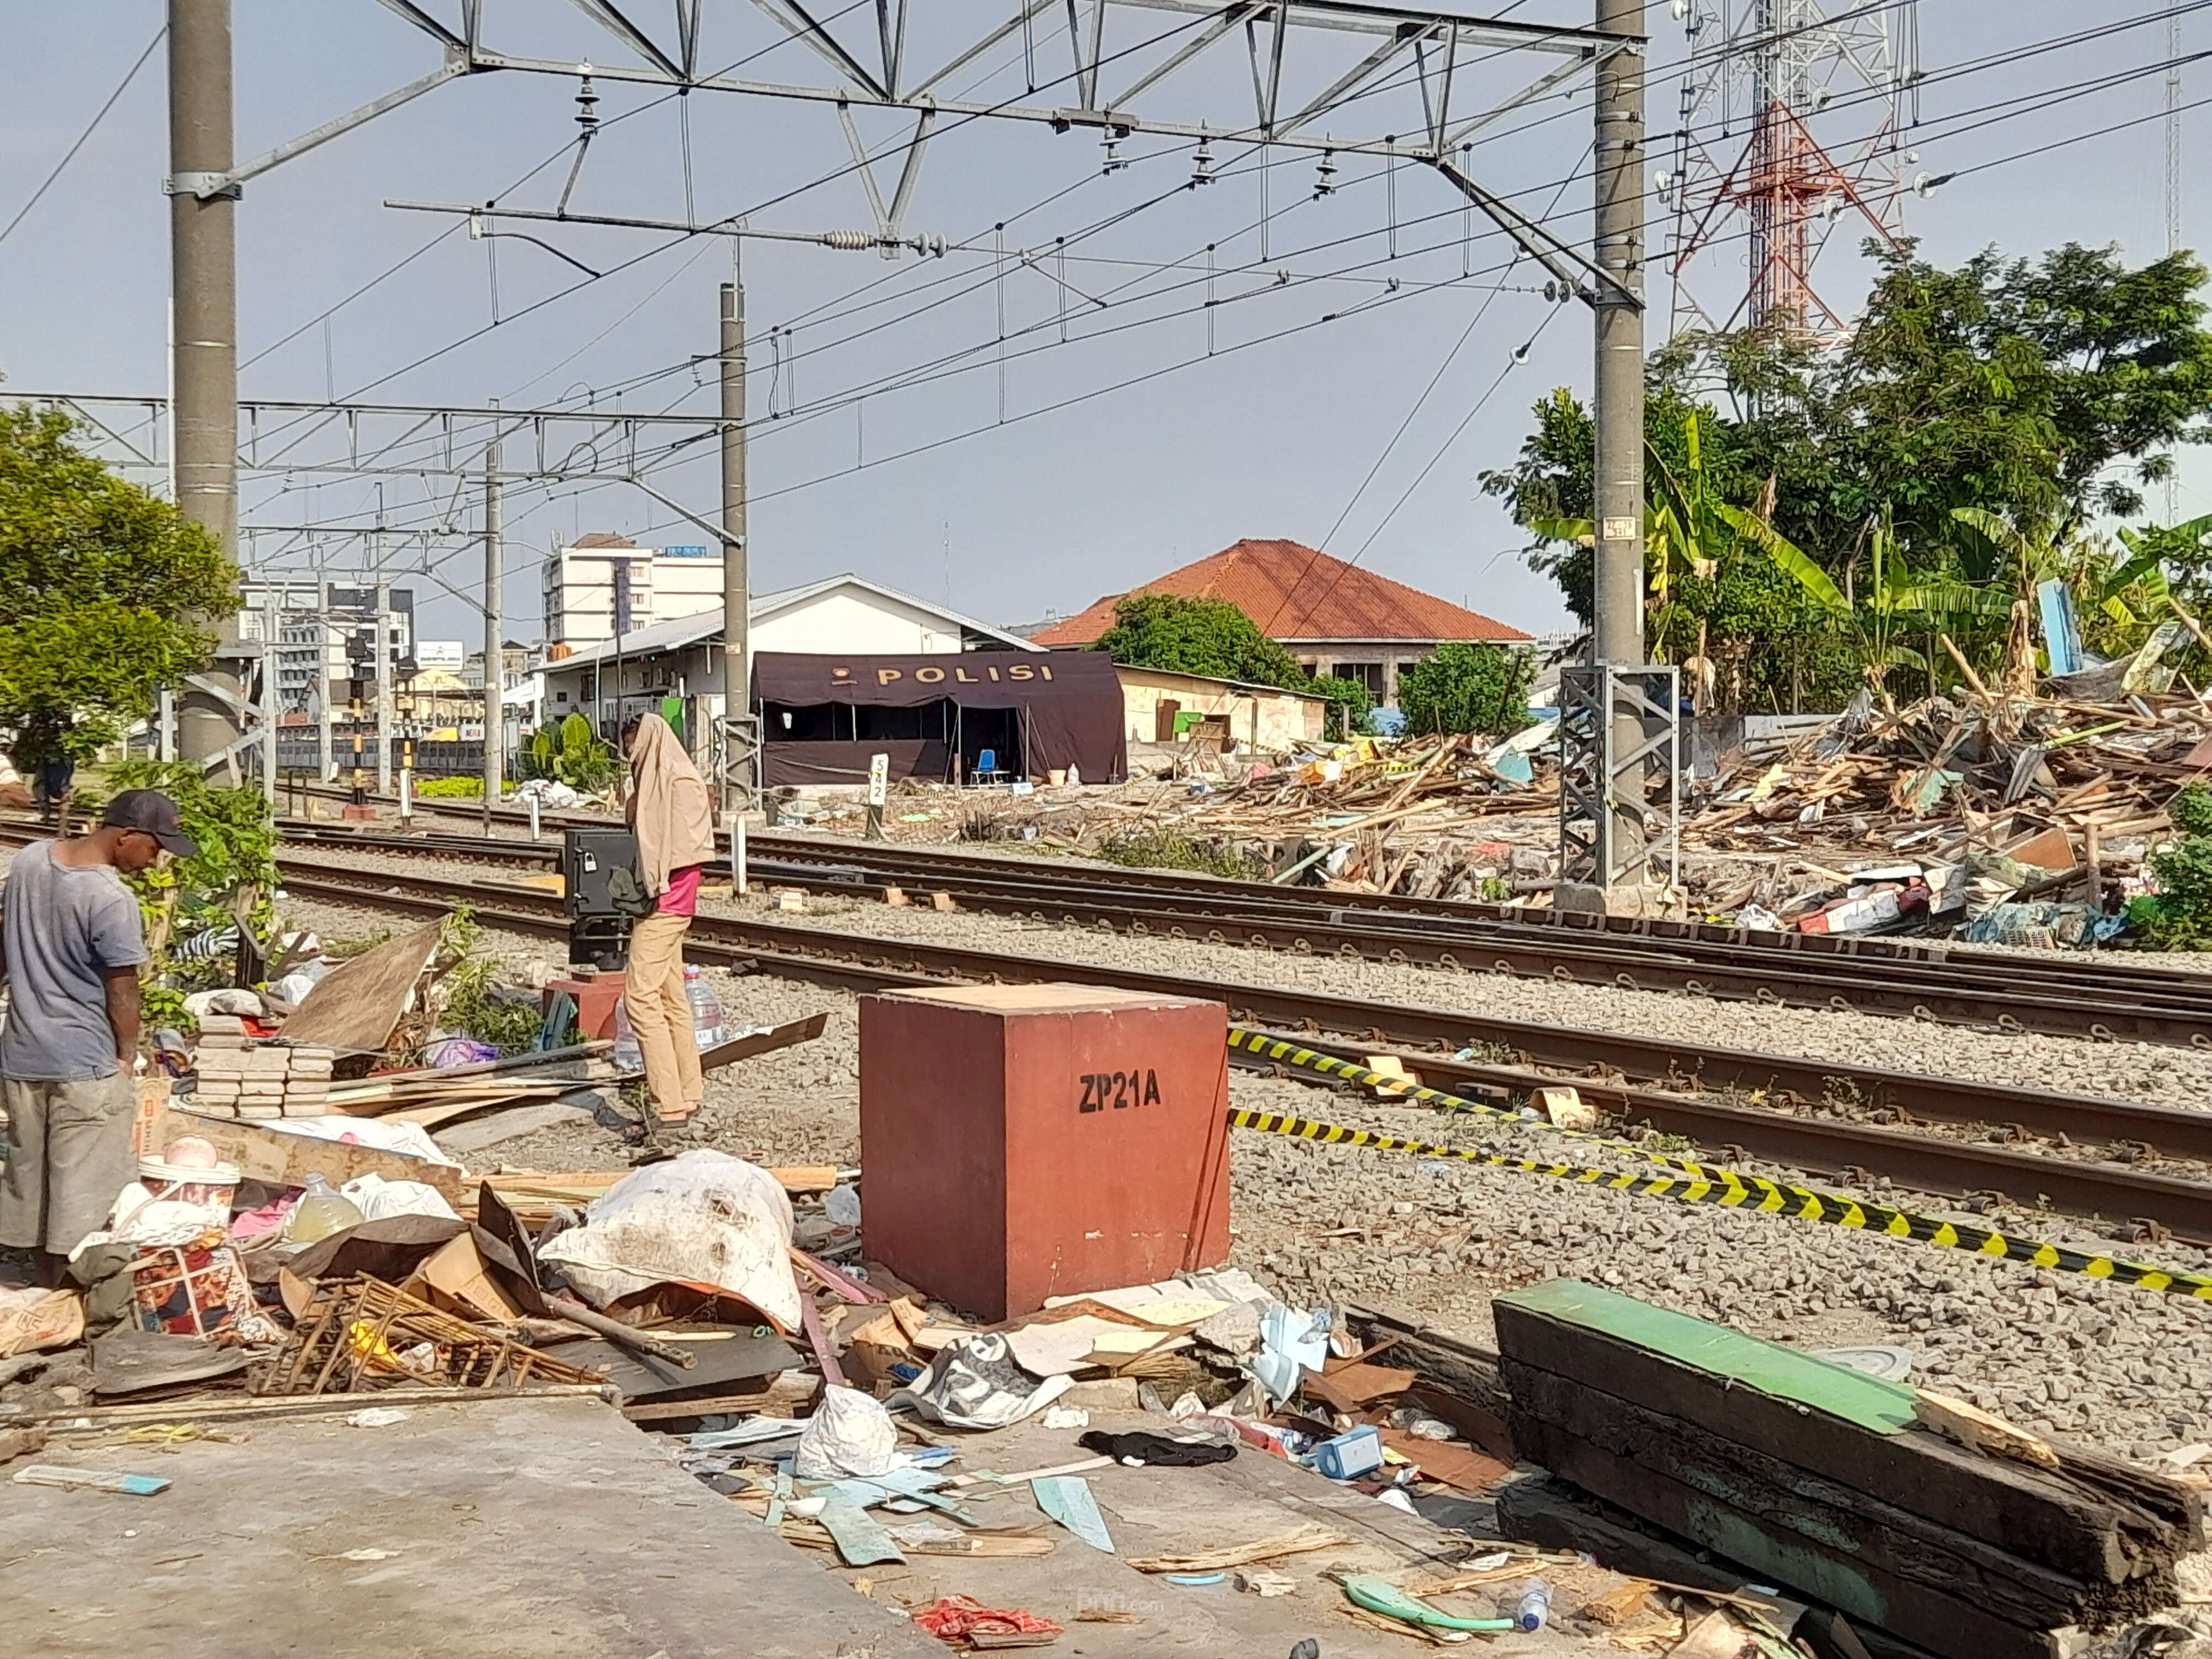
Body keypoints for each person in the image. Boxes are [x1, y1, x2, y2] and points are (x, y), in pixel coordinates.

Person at [0, 789, 196, 1285]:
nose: (154, 862)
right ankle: (71, 1284)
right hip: (85, 1058)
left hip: (22, 1052)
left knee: (30, 1169)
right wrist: (127, 1056)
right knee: (84, 1179)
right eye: (154, 848)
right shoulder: (109, 898)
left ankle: (27, 1271)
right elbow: (122, 987)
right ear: (126, 836)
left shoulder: (28, 861)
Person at [620, 712, 717, 1125]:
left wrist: (655, 885)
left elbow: (670, 846)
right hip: (675, 901)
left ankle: (669, 1104)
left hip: (666, 903)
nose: (629, 754)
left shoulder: (674, 784)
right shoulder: (672, 775)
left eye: (631, 746)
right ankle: (689, 1092)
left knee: (639, 997)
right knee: (672, 998)